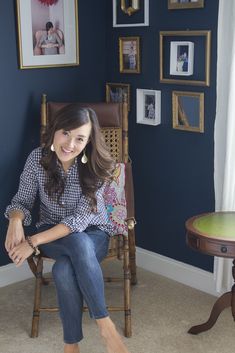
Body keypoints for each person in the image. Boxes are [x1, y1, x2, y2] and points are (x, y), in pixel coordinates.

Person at [4, 105, 131, 353]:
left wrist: (31, 243)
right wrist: (15, 220)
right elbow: (21, 201)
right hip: (51, 232)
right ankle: (105, 326)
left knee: (66, 264)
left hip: (94, 234)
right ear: (55, 130)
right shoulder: (36, 159)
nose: (70, 144)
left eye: (80, 138)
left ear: (88, 141)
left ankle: (73, 343)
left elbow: (79, 222)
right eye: (65, 133)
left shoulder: (94, 167)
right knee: (75, 245)